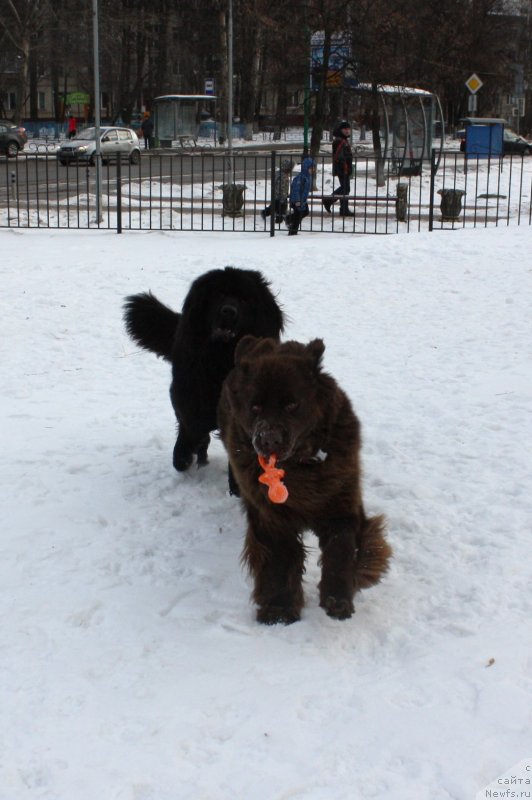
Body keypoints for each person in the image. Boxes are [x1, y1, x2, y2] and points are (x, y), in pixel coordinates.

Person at [323, 120, 353, 216]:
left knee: (345, 189)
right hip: (343, 168)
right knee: (345, 188)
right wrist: (345, 167)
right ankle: (329, 201)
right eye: (345, 129)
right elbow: (340, 157)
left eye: (348, 129)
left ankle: (343, 209)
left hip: (345, 168)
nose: (347, 131)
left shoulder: (343, 140)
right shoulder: (339, 141)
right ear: (341, 130)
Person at [286, 157, 316, 236]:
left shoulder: (307, 177)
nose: (312, 170)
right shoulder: (300, 178)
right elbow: (295, 190)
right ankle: (293, 232)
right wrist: (297, 201)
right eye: (311, 168)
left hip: (302, 200)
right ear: (306, 168)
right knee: (297, 216)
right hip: (297, 201)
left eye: (313, 168)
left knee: (305, 212)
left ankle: (289, 219)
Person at [261, 159, 294, 223]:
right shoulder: (282, 175)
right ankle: (278, 218)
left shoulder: (283, 174)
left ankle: (270, 214)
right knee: (280, 207)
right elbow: (280, 186)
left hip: (280, 194)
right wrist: (283, 194)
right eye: (290, 168)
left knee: (275, 206)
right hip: (280, 194)